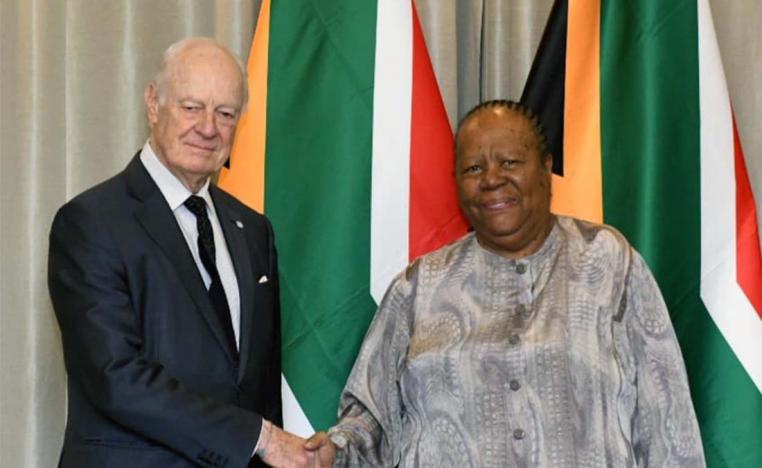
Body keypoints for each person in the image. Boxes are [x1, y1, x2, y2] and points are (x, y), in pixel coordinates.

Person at [305, 100, 706, 467]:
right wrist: (334, 451)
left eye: (510, 161)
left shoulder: (609, 262)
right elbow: (371, 421)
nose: (492, 179)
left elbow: (667, 421)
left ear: (546, 167)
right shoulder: (418, 287)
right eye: (473, 168)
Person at [48, 38, 313, 468]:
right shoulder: (90, 223)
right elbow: (116, 378)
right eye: (192, 107)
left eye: (225, 113)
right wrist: (258, 438)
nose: (208, 128)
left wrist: (272, 445)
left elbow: (259, 386)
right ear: (153, 104)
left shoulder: (254, 231)